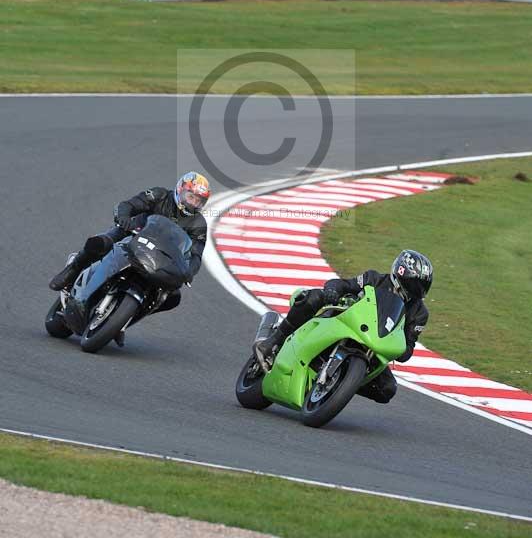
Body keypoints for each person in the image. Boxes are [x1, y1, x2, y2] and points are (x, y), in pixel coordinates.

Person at [254, 249, 433, 404]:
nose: (417, 290)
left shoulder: (420, 314)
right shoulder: (374, 279)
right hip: (344, 320)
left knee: (387, 389)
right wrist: (333, 290)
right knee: (312, 298)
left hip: (374, 344)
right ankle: (272, 341)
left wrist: (398, 349)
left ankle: (340, 384)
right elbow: (344, 285)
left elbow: (408, 347)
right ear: (401, 274)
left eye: (422, 286)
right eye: (414, 283)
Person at [49, 172, 211, 318]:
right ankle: (72, 271)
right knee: (99, 243)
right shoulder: (159, 195)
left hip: (161, 257)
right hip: (133, 233)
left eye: (198, 201)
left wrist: (189, 272)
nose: (193, 203)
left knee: (173, 297)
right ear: (180, 190)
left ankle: (128, 317)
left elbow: (196, 254)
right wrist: (124, 218)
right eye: (191, 197)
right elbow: (129, 205)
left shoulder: (199, 224)